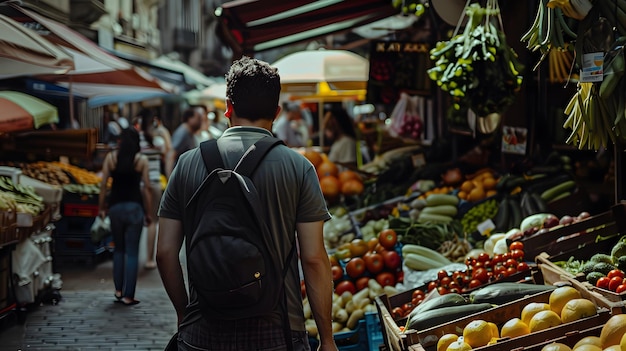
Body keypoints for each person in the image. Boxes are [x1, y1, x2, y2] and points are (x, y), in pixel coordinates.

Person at [156, 56, 338, 351]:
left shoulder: (187, 164)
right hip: (278, 332)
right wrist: (327, 339)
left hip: (203, 332)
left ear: (228, 106)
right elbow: (314, 259)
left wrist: (184, 314)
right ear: (277, 112)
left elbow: (165, 253)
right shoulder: (299, 168)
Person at [98, 128, 153, 306]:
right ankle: (129, 295)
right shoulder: (141, 160)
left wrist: (101, 207)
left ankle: (118, 290)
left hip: (115, 208)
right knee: (132, 252)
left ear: (121, 141)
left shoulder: (111, 158)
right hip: (134, 208)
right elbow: (146, 188)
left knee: (118, 250)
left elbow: (103, 186)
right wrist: (149, 211)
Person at [165, 107, 203, 177]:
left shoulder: (189, 133)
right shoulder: (183, 133)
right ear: (190, 119)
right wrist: (170, 178)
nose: (200, 122)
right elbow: (171, 155)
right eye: (198, 119)